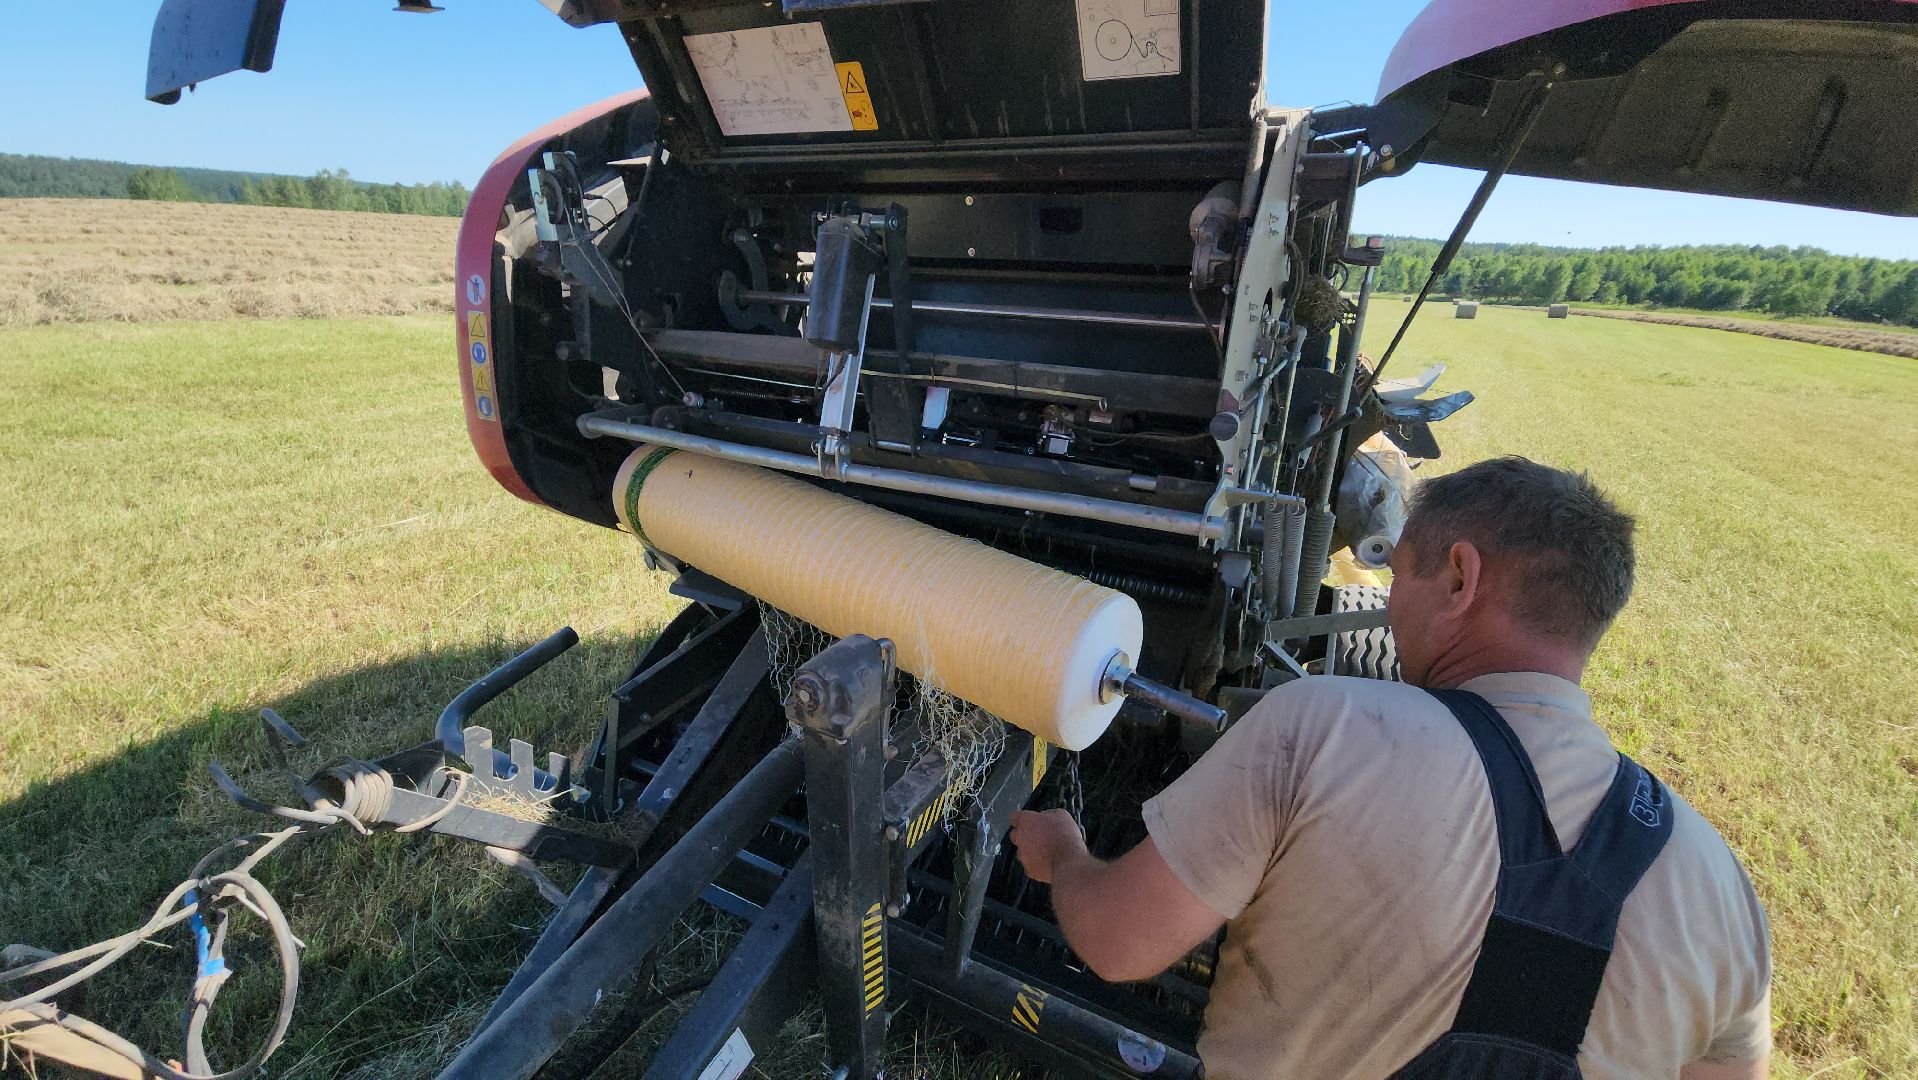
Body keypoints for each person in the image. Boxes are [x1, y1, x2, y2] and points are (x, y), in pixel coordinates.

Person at [1010, 457, 1771, 1079]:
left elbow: (1118, 942)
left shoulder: (1326, 727)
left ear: (1460, 578)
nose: (1390, 603)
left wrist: (1063, 856)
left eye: (1400, 574)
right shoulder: (1726, 896)